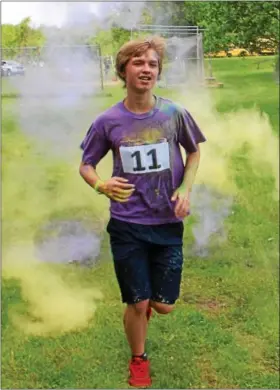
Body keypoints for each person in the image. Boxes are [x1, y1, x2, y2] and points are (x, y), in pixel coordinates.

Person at [79, 36, 206, 388]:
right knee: (137, 303)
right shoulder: (108, 121)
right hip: (127, 224)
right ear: (123, 71)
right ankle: (139, 357)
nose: (146, 69)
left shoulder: (173, 113)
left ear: (158, 72)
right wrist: (100, 184)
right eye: (138, 63)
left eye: (152, 64)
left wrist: (185, 188)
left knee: (163, 306)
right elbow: (87, 164)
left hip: (167, 223)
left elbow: (193, 153)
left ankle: (147, 303)